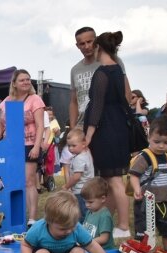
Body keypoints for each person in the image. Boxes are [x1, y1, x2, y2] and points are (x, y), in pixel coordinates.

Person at [83, 31, 132, 239]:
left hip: (107, 130)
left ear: (98, 48)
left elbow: (97, 106)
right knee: (109, 179)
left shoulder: (102, 73)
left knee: (114, 180)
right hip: (119, 127)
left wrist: (89, 134)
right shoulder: (119, 71)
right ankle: (110, 222)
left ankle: (123, 224)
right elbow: (128, 97)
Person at [21, 191, 113, 253]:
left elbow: (91, 245)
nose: (68, 231)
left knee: (79, 252)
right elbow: (26, 245)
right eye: (63, 229)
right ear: (49, 221)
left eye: (71, 226)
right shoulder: (38, 228)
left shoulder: (77, 228)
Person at [128, 115, 167, 253]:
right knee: (145, 231)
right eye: (157, 141)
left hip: (164, 202)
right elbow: (133, 175)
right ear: (149, 136)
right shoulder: (144, 157)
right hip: (146, 202)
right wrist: (136, 189)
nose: (161, 146)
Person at [0, 69, 45, 226]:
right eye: (22, 80)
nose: (26, 82)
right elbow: (0, 124)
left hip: (29, 144)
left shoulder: (34, 99)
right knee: (12, 181)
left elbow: (40, 125)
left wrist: (37, 146)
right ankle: (13, 215)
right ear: (14, 83)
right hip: (10, 145)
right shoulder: (7, 101)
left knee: (29, 181)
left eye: (28, 79)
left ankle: (32, 218)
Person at [69, 26, 131, 129]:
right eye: (82, 43)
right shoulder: (75, 70)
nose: (87, 46)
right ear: (77, 45)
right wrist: (73, 128)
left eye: (89, 42)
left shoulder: (113, 61)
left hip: (108, 122)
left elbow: (126, 92)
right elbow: (73, 102)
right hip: (82, 125)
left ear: (96, 40)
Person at [62, 128, 95, 221]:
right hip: (89, 188)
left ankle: (83, 229)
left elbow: (76, 177)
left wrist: (66, 186)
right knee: (88, 211)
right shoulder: (87, 152)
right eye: (69, 146)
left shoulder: (79, 159)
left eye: (74, 145)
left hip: (80, 191)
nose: (71, 148)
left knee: (81, 213)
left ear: (83, 144)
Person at [81, 177, 115, 249]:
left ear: (103, 199)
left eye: (90, 202)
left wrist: (87, 242)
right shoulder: (89, 212)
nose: (87, 205)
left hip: (104, 252)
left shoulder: (104, 216)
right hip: (91, 248)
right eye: (85, 202)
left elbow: (104, 238)